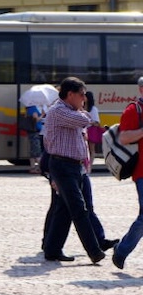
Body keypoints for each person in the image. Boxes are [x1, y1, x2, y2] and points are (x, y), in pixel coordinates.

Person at [41, 77, 105, 264]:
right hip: (62, 166)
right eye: (81, 95)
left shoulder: (69, 110)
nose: (84, 99)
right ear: (70, 94)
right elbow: (87, 119)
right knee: (79, 209)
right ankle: (94, 251)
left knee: (64, 209)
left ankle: (52, 249)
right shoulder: (60, 110)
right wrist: (84, 114)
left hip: (75, 166)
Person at [111, 77, 143, 269]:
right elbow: (123, 137)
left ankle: (121, 250)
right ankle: (122, 251)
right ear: (140, 90)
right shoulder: (133, 111)